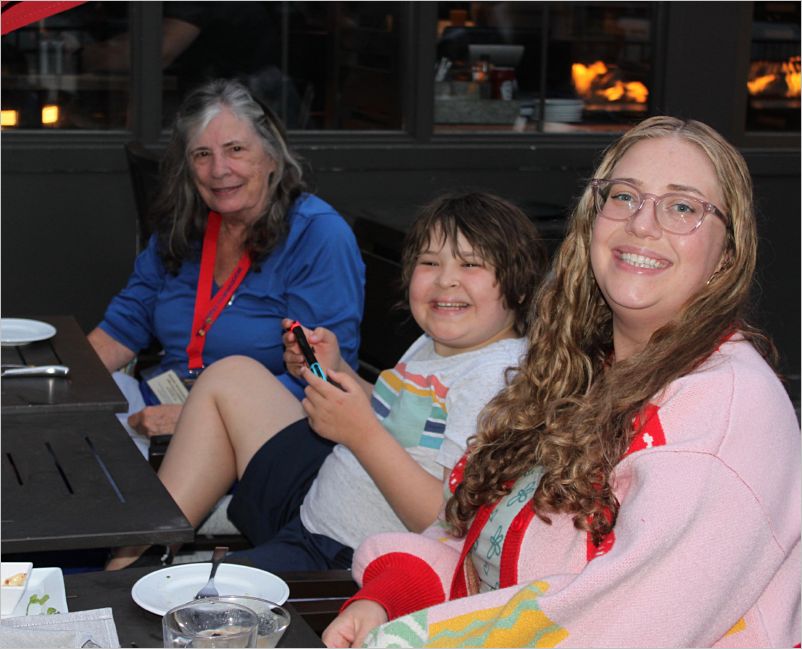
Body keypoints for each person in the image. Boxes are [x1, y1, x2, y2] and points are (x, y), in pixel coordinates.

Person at [323, 116, 801, 648]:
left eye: (683, 207)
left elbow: (623, 627)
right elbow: (478, 542)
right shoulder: (573, 371)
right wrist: (389, 598)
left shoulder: (725, 411)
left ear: (726, 257)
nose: (643, 224)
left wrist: (413, 639)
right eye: (624, 196)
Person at [104, 191, 548, 571]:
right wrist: (336, 372)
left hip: (342, 557)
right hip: (322, 496)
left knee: (195, 601)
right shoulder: (440, 342)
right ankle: (141, 553)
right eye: (430, 262)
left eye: (471, 265)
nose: (446, 280)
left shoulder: (497, 378)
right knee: (230, 375)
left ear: (521, 287)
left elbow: (448, 522)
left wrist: (360, 433)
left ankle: (136, 571)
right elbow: (409, 418)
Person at [87, 78, 364, 454]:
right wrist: (63, 386)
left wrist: (191, 416)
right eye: (202, 154)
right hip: (159, 406)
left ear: (271, 157)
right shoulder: (185, 226)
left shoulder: (317, 236)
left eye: (235, 149)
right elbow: (125, 324)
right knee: (66, 434)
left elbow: (322, 378)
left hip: (256, 435)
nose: (219, 170)